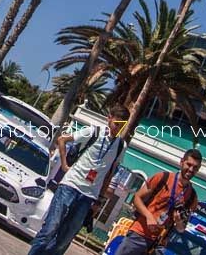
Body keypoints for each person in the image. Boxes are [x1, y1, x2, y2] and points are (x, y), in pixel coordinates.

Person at [28, 106, 131, 255]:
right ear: (109, 118)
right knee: (50, 229)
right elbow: (62, 140)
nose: (118, 128)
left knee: (64, 240)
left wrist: (99, 200)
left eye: (122, 125)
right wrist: (64, 165)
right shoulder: (93, 131)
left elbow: (110, 173)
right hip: (70, 186)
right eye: (116, 124)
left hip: (88, 195)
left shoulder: (121, 146)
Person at [116, 148, 202, 255]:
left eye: (195, 167)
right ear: (181, 162)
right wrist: (149, 216)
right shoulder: (163, 178)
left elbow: (181, 229)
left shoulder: (192, 196)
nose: (191, 169)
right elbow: (137, 198)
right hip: (139, 235)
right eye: (188, 164)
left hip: (159, 245)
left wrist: (179, 222)